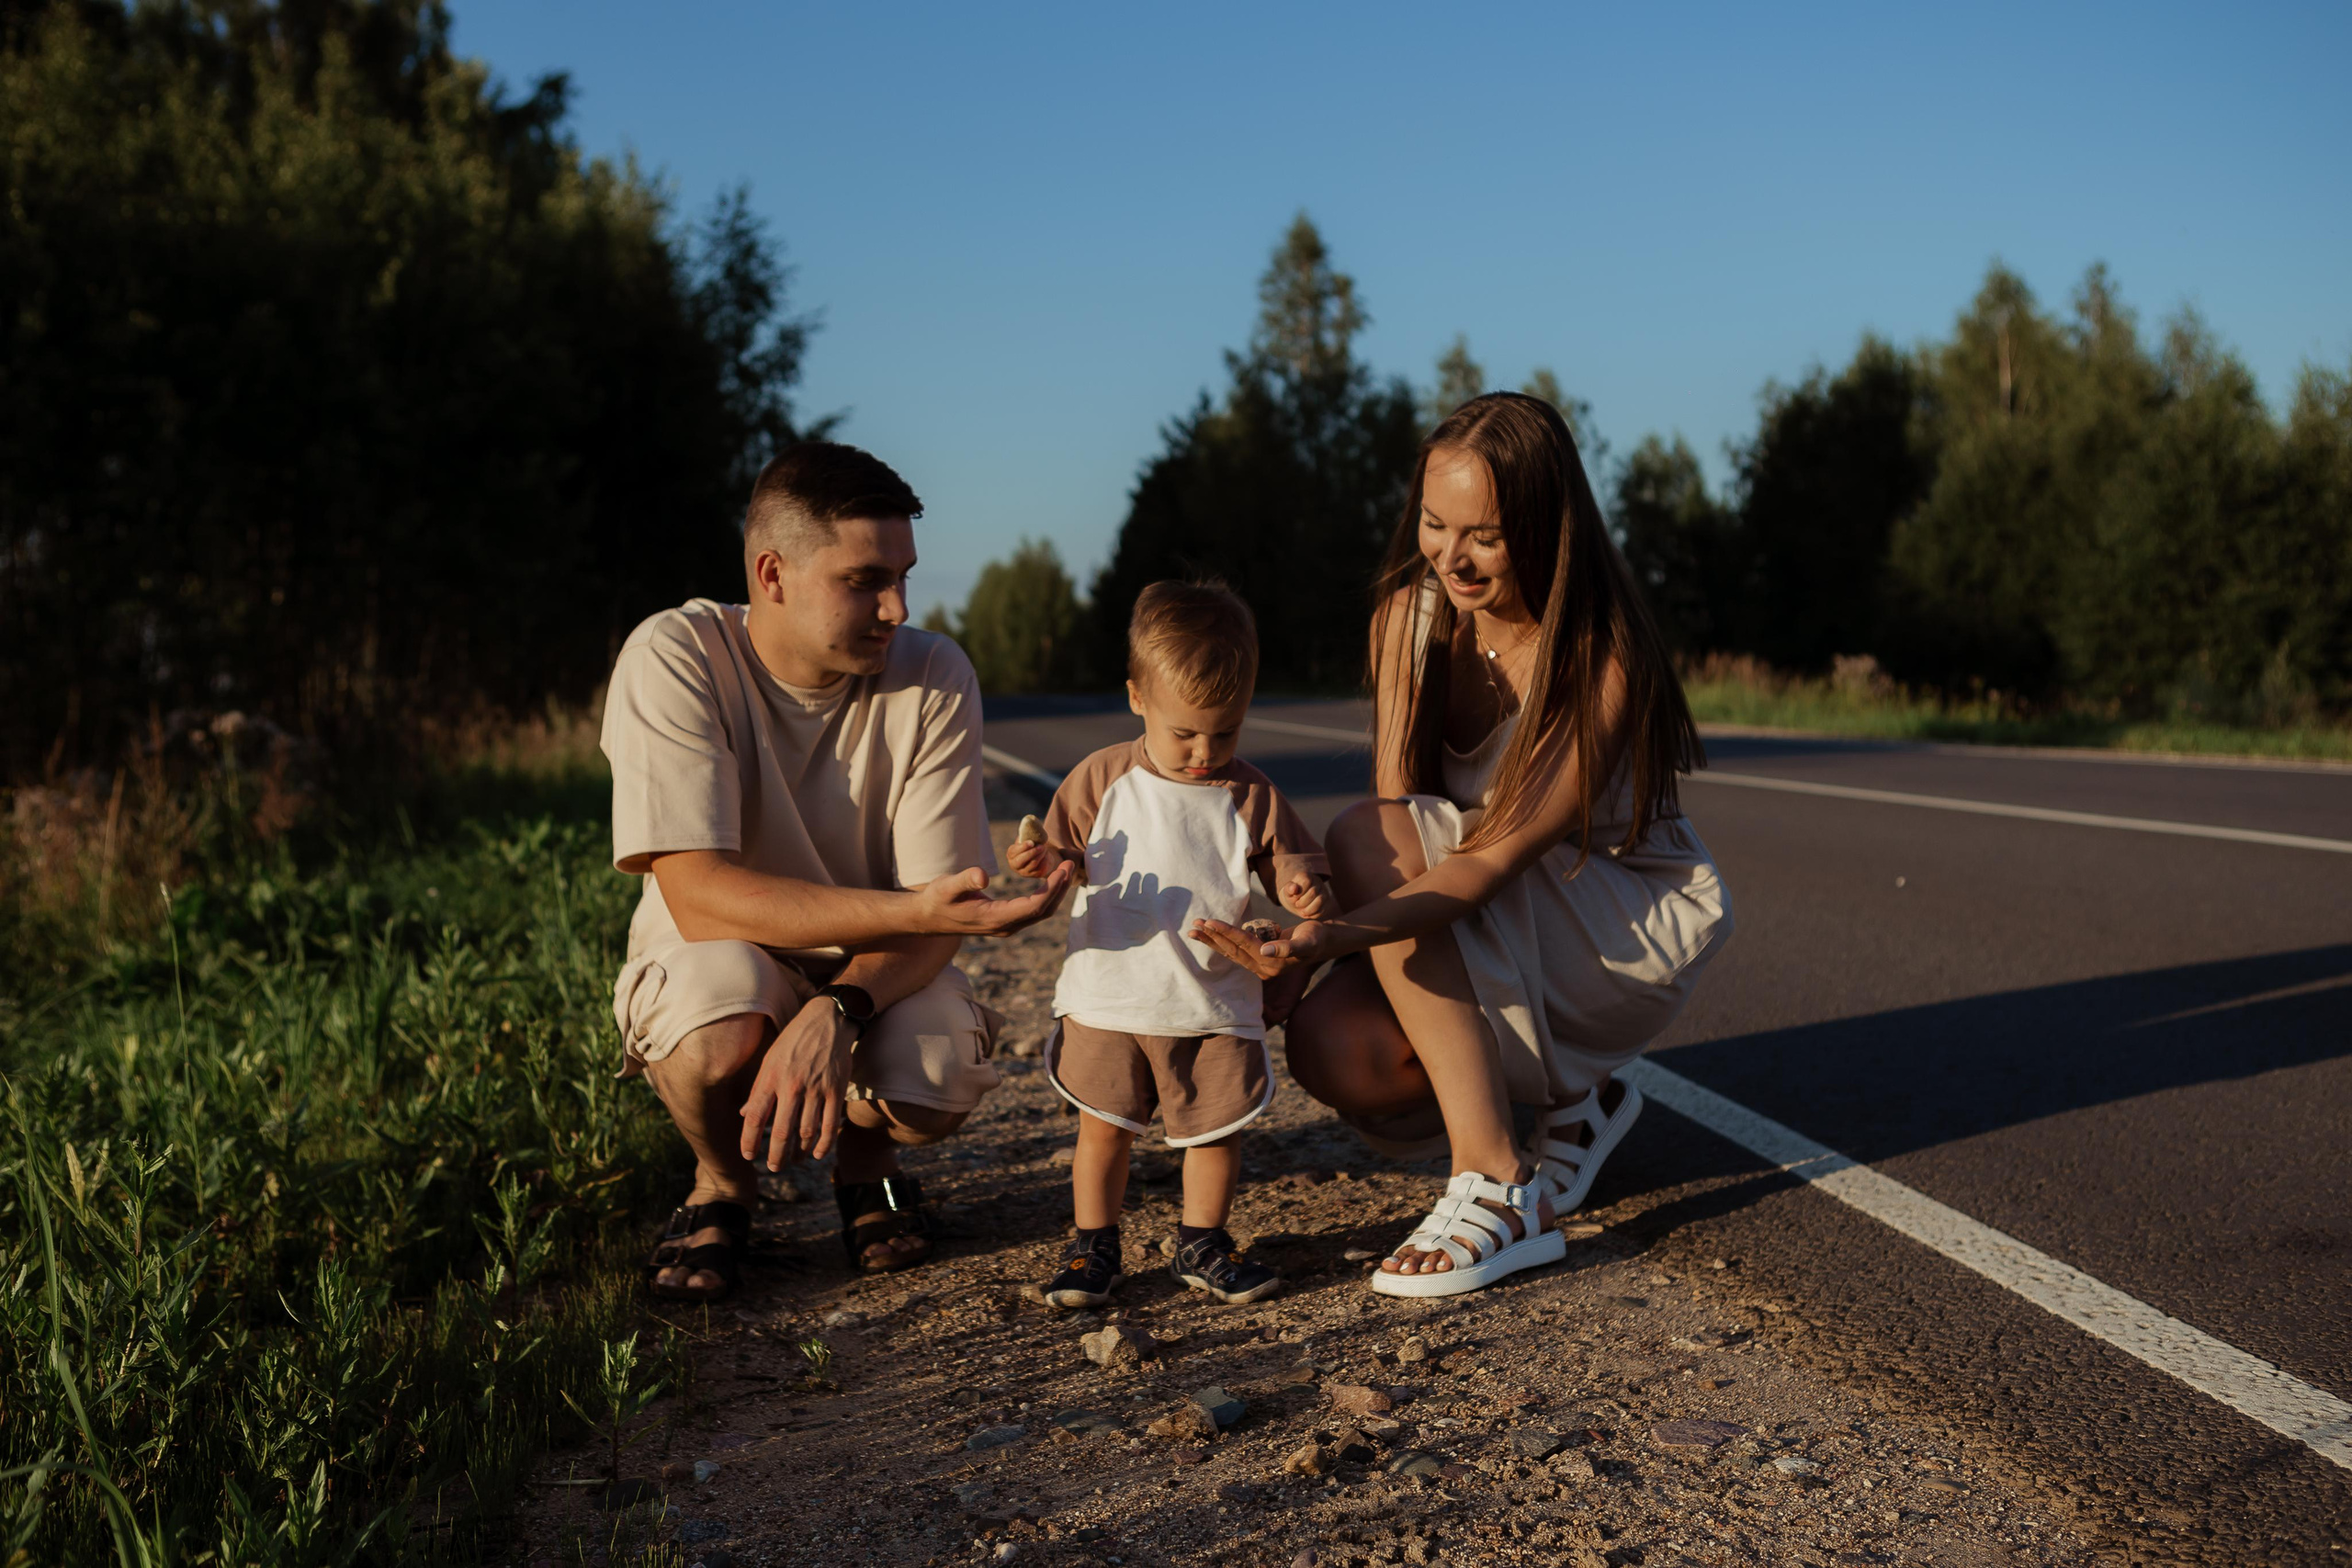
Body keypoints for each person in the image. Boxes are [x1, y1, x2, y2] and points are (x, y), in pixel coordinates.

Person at [1192, 392, 1732, 1299]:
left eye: (1484, 534)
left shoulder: (1601, 657)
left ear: (1545, 526)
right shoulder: (1411, 616)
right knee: (1335, 1045)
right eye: (1435, 525)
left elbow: (1483, 861)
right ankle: (1575, 1101)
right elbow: (1403, 819)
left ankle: (1497, 1178)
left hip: (1616, 921)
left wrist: (1339, 939)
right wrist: (1308, 943)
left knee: (1367, 845)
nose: (1451, 554)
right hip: (1483, 889)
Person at [601, 442, 1074, 1300]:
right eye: (865, 580)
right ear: (772, 573)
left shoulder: (933, 674)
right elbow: (701, 896)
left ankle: (867, 1165)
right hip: (726, 955)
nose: (898, 606)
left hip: (874, 970)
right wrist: (917, 917)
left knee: (935, 1071)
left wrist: (838, 1007)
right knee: (718, 1018)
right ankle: (721, 1184)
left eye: (904, 575)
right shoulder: (676, 655)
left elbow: (942, 917)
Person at [1005, 582, 1330, 1310]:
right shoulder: (1102, 779)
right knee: (1104, 1128)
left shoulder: (1251, 794)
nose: (1205, 752)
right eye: (1186, 733)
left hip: (1212, 998)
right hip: (1112, 996)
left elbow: (1294, 871)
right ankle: (1093, 1244)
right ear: (1137, 698)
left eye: (1227, 732)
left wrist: (1304, 887)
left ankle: (1203, 1240)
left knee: (1212, 1132)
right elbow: (1061, 853)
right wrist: (1039, 860)